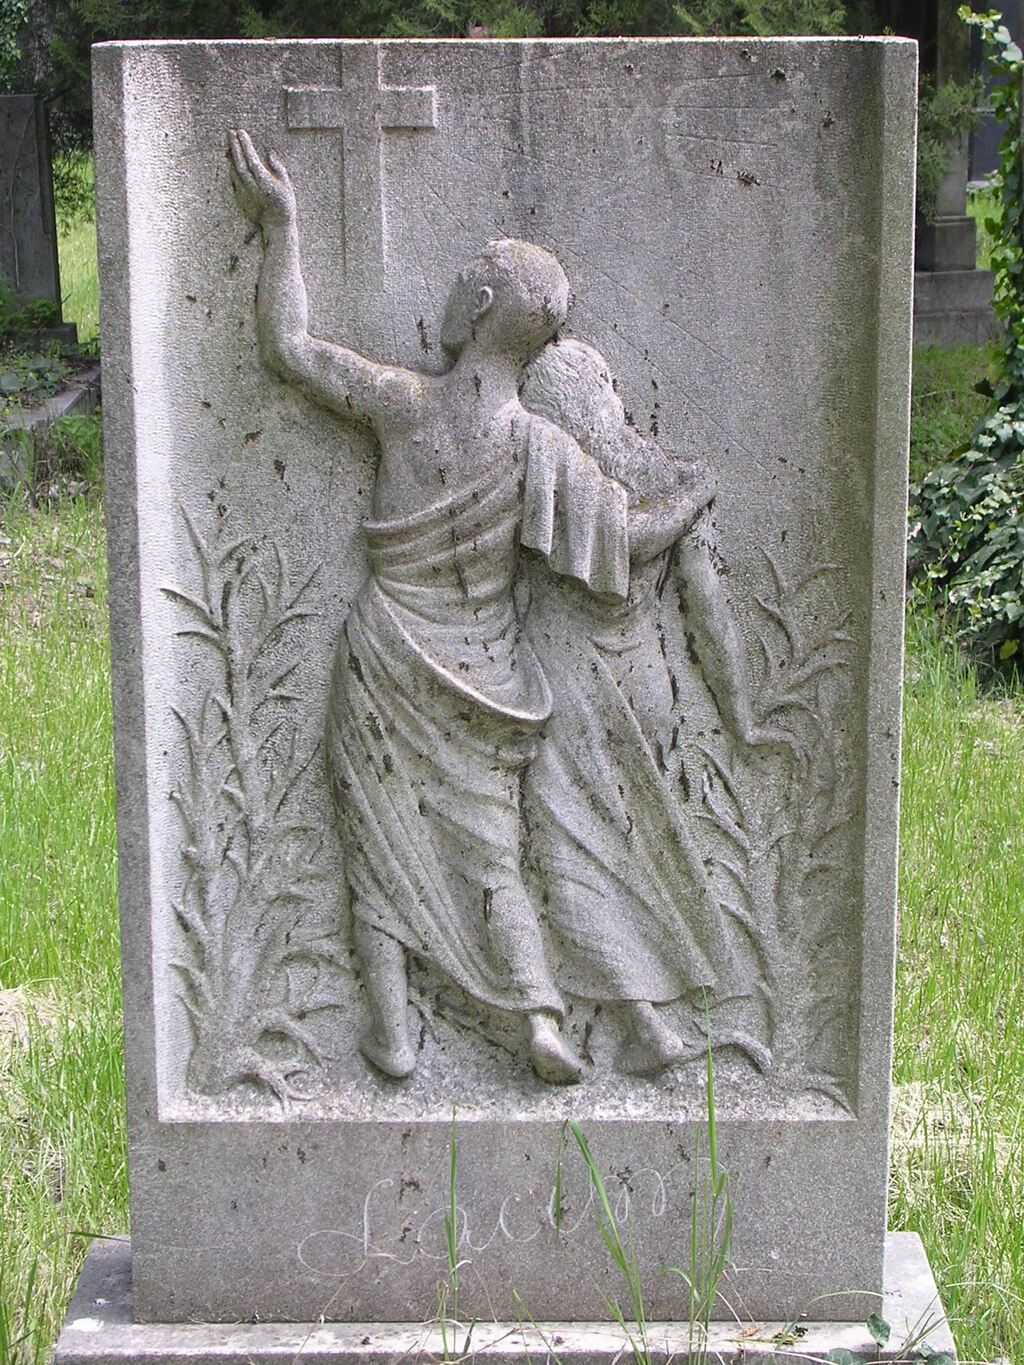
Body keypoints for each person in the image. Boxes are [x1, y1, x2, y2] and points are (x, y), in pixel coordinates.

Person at [228, 132, 699, 1085]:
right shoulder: (538, 450)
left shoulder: (403, 404)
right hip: (486, 674)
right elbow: (630, 540)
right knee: (493, 853)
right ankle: (538, 1019)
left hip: (385, 657)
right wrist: (694, 497)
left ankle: (394, 1034)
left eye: (459, 284)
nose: (445, 296)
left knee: (376, 839)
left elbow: (289, 349)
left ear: (478, 305)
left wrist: (283, 228)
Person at [520, 338, 781, 1073]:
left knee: (575, 855)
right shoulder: (675, 482)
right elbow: (708, 616)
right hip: (647, 687)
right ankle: (643, 1026)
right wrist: (739, 715)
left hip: (562, 684)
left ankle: (639, 1020)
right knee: (636, 846)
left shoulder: (542, 472)